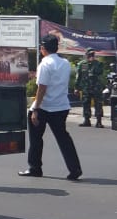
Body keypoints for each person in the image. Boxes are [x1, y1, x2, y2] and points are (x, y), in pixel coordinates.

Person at [19, 34, 83, 181]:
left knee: (36, 139)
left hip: (44, 107)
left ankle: (35, 168)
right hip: (61, 106)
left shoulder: (45, 64)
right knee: (63, 138)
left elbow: (42, 88)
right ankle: (75, 169)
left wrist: (35, 109)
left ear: (43, 48)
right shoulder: (65, 63)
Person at [75, 48, 106, 127]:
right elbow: (79, 76)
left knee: (98, 104)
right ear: (86, 55)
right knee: (86, 103)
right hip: (86, 87)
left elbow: (100, 72)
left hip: (96, 87)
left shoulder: (98, 64)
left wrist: (93, 62)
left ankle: (99, 121)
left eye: (92, 55)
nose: (90, 56)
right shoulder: (82, 64)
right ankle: (86, 120)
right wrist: (76, 88)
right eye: (89, 55)